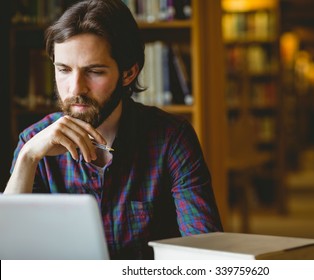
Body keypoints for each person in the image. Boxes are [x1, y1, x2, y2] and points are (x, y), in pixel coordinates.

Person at [4, 0, 223, 259]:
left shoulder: (172, 139)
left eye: (94, 72)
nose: (75, 89)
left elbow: (205, 252)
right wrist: (28, 157)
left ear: (128, 73)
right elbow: (10, 254)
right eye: (63, 70)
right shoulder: (33, 141)